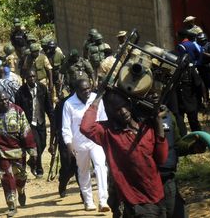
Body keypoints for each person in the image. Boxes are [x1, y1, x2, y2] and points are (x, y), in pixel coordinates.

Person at [80, 89, 168, 217]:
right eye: (117, 109)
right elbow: (86, 127)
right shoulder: (108, 133)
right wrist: (98, 98)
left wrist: (158, 121)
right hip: (135, 201)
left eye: (124, 106)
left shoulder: (146, 126)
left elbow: (161, 158)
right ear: (110, 113)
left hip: (156, 194)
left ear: (130, 104)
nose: (123, 112)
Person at [0, 92, 37, 217]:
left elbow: (26, 130)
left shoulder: (18, 111)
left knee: (21, 177)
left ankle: (21, 191)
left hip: (18, 150)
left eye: (5, 99)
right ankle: (11, 205)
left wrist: (32, 150)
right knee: (7, 179)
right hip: (1, 151)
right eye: (0, 100)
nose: (3, 102)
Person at [62, 79, 109, 212]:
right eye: (84, 89)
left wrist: (104, 140)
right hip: (79, 143)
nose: (87, 91)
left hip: (95, 141)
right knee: (83, 171)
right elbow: (66, 128)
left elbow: (102, 120)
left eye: (89, 88)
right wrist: (69, 145)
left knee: (101, 166)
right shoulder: (69, 104)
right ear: (76, 91)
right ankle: (88, 201)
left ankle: (103, 200)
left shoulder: (96, 98)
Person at [15, 70, 54, 178]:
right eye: (29, 77)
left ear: (36, 77)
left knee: (43, 144)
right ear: (26, 79)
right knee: (36, 145)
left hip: (40, 121)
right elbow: (18, 109)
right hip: (29, 123)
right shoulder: (21, 92)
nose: (31, 78)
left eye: (33, 76)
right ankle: (39, 168)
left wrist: (52, 119)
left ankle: (32, 161)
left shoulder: (42, 88)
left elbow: (48, 105)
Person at [51, 90, 79, 198]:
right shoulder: (62, 103)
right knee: (67, 166)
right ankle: (62, 183)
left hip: (80, 139)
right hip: (65, 140)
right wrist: (52, 142)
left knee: (79, 168)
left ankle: (84, 194)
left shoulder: (86, 102)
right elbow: (55, 124)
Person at [196, 33, 210, 107]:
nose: (201, 42)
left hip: (209, 69)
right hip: (201, 68)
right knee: (204, 86)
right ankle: (207, 101)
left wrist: (203, 53)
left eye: (202, 40)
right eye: (199, 40)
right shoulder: (198, 46)